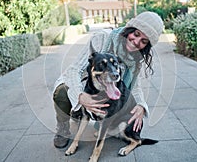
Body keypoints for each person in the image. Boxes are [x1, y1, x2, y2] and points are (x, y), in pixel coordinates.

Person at [52, 11, 164, 148]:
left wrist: (141, 105)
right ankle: (64, 127)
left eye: (144, 41)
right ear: (130, 29)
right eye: (136, 34)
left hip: (106, 87)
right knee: (62, 92)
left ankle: (88, 112)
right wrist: (81, 96)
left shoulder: (135, 59)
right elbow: (74, 69)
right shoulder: (102, 38)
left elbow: (135, 87)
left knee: (121, 106)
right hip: (84, 83)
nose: (136, 42)